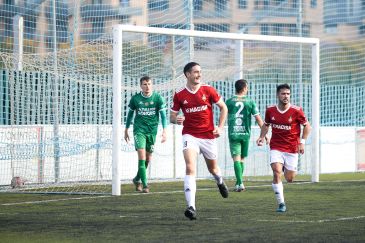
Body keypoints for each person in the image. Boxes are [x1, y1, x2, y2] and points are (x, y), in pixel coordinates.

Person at [170, 62, 229, 220]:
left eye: (200, 72)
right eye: (196, 72)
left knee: (213, 170)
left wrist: (221, 127)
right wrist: (176, 120)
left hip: (208, 137)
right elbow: (172, 116)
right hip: (189, 135)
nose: (199, 74)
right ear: (187, 74)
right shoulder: (180, 94)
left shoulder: (208, 90)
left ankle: (220, 181)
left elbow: (224, 108)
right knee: (190, 167)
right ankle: (191, 207)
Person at [256, 83, 311, 213]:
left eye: (288, 94)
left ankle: (286, 167)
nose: (286, 96)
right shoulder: (270, 110)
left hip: (292, 148)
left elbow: (307, 126)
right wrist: (262, 137)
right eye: (283, 93)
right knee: (276, 171)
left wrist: (302, 142)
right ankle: (281, 203)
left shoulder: (297, 110)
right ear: (278, 95)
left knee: (290, 178)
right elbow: (266, 124)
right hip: (276, 146)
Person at [124, 76, 167, 193]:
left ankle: (137, 179)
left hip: (152, 132)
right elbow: (130, 115)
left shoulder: (158, 98)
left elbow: (163, 116)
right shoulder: (135, 99)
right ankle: (145, 185)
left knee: (148, 159)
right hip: (139, 131)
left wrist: (165, 130)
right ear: (140, 86)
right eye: (144, 84)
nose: (147, 86)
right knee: (142, 157)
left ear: (151, 85)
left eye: (149, 84)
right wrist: (126, 129)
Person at [225, 79, 267, 192]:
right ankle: (239, 182)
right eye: (247, 87)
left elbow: (223, 116)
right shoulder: (250, 101)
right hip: (245, 134)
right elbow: (259, 119)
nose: (247, 89)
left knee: (236, 159)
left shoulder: (228, 101)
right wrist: (264, 134)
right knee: (242, 159)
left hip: (233, 133)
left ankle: (240, 182)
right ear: (244, 88)